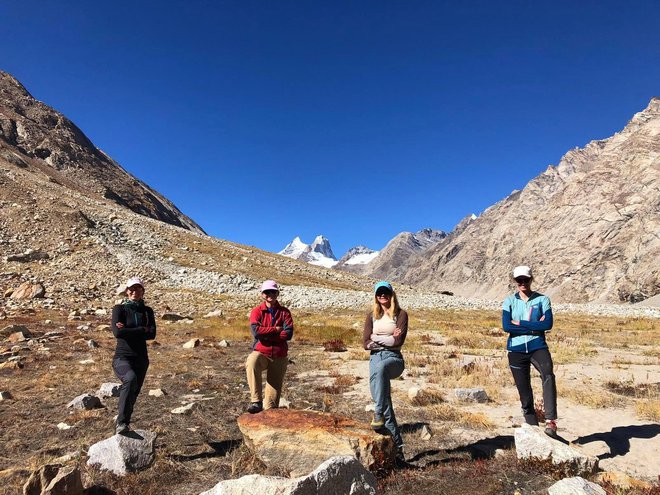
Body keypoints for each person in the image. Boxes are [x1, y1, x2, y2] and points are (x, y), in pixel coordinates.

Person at [502, 265, 558, 437]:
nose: (523, 283)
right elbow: (506, 326)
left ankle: (551, 421)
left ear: (531, 279)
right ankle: (532, 425)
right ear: (515, 282)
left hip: (537, 346)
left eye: (526, 280)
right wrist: (535, 327)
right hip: (516, 349)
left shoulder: (543, 300)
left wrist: (520, 324)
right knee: (524, 389)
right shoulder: (509, 301)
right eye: (519, 280)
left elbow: (547, 324)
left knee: (548, 375)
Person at [363, 281, 408, 461]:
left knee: (381, 403)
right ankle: (398, 453)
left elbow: (398, 342)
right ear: (376, 296)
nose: (383, 296)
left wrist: (377, 338)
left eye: (386, 293)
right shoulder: (371, 316)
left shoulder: (401, 315)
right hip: (374, 358)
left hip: (393, 359)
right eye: (379, 293)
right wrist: (386, 337)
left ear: (391, 294)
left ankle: (378, 412)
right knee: (386, 404)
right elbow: (365, 343)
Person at [111, 277, 156, 435]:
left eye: (138, 289)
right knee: (129, 380)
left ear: (143, 291)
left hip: (141, 360)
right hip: (122, 358)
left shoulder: (147, 311)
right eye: (131, 288)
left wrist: (129, 330)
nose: (134, 292)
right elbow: (118, 333)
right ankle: (121, 423)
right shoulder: (119, 309)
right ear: (126, 291)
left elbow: (152, 334)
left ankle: (123, 423)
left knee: (133, 392)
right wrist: (141, 329)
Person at [246, 280, 294, 414]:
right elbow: (256, 332)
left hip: (279, 355)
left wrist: (266, 334)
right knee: (252, 361)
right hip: (262, 352)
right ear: (262, 294)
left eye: (273, 291)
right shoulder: (257, 311)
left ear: (277, 293)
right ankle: (256, 401)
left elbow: (288, 334)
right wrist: (276, 330)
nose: (270, 294)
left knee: (271, 407)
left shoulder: (285, 312)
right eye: (267, 292)